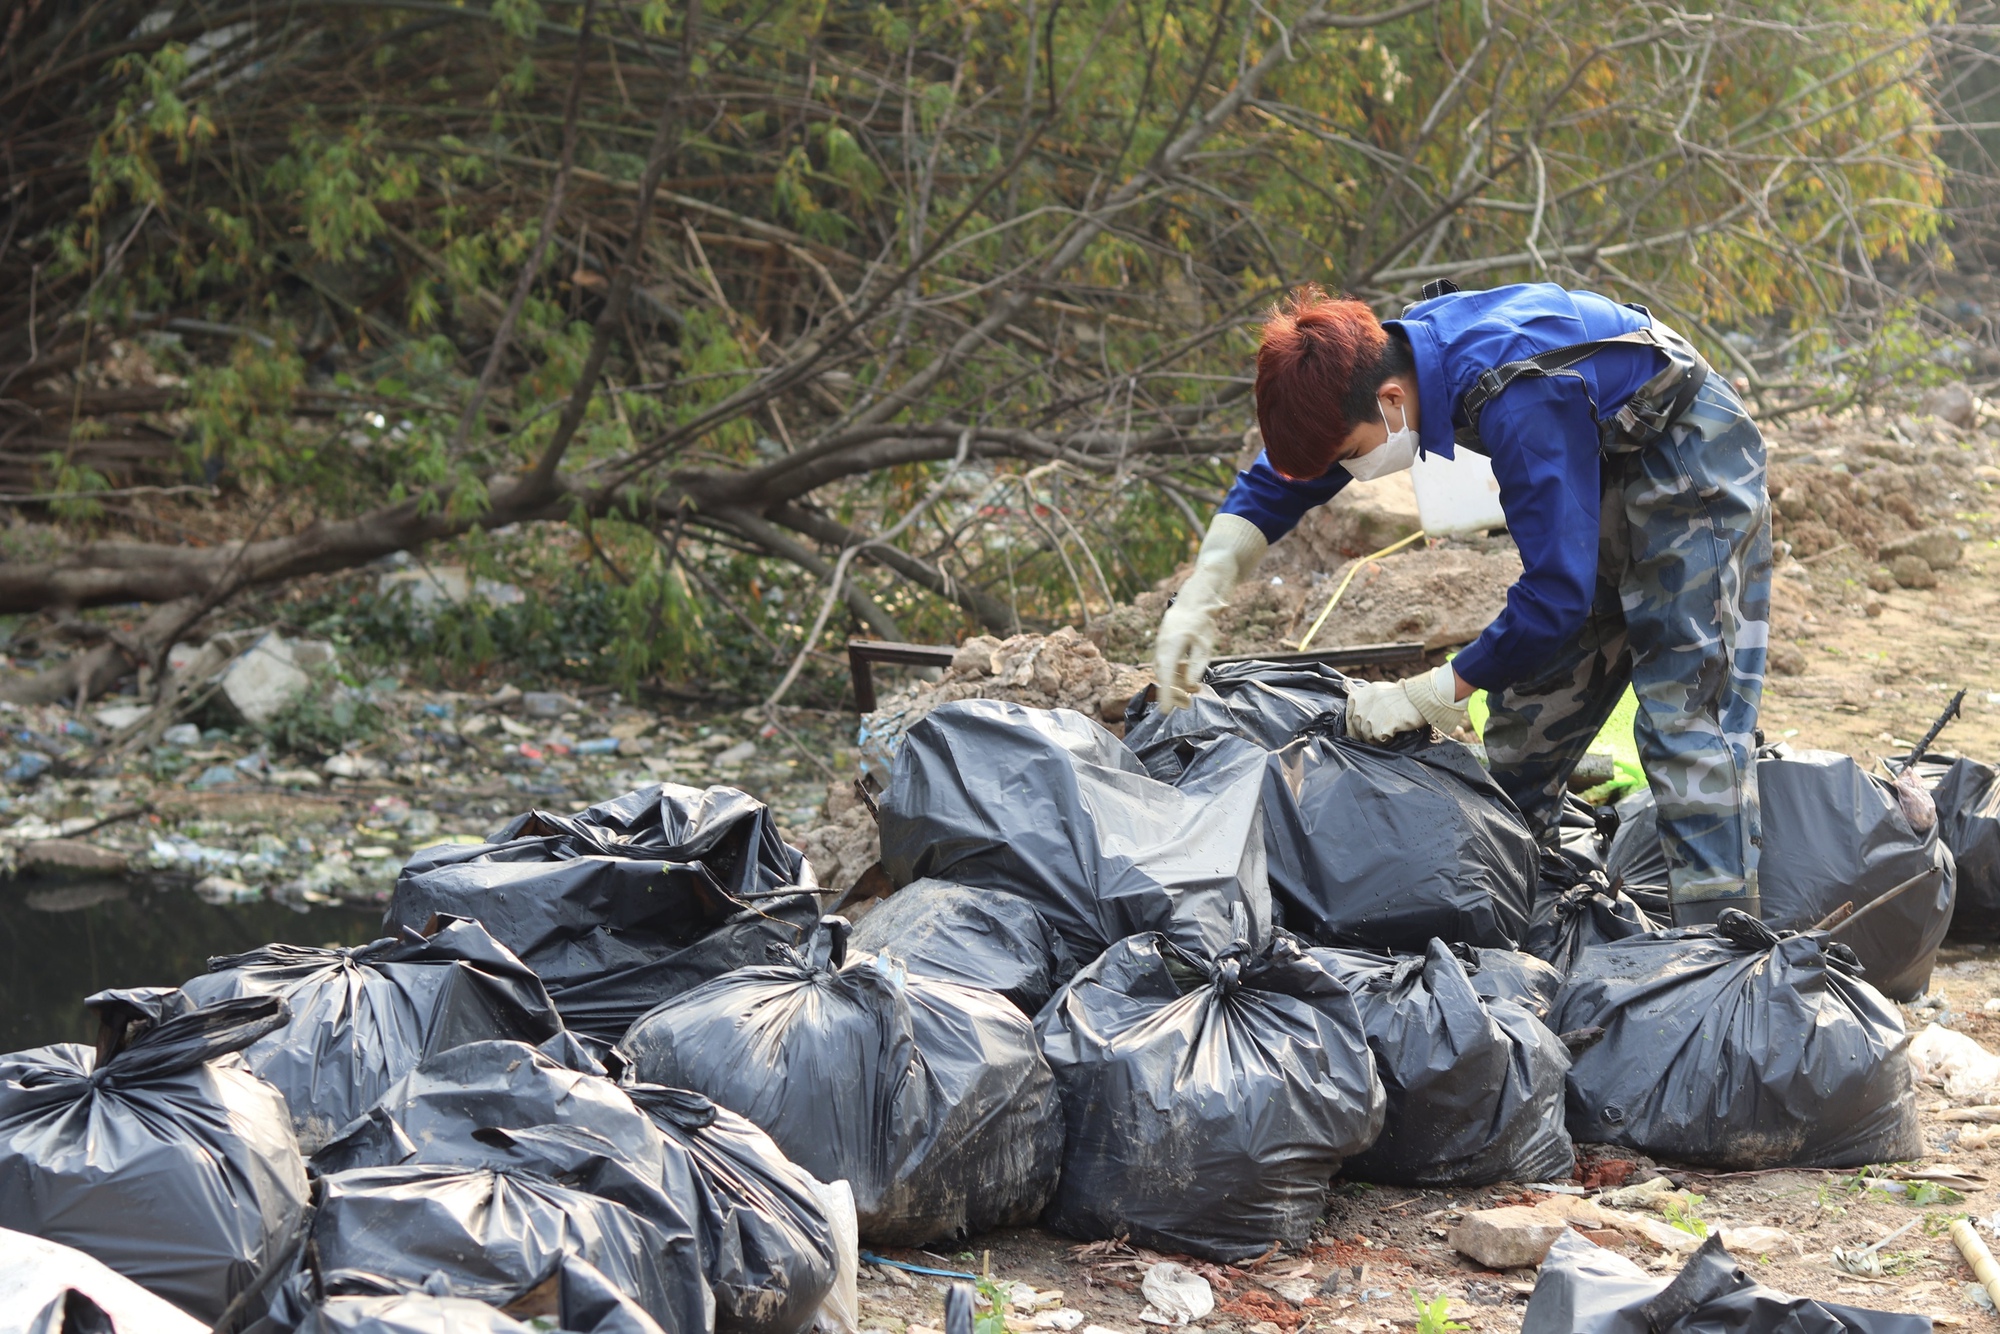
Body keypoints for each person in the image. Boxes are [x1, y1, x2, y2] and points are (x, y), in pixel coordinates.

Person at [1152, 282, 1771, 926]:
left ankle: (1716, 959)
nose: (1355, 471)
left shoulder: (1517, 393)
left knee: (1688, 710)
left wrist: (1430, 690)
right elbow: (1289, 476)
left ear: (1391, 402)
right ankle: (1521, 902)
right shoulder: (1386, 366)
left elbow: (1555, 595)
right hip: (1595, 457)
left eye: (1352, 456)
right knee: (1528, 714)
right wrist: (1206, 585)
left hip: (1689, 457)